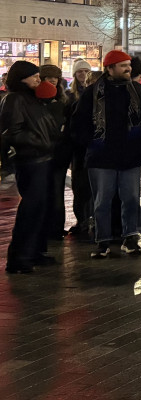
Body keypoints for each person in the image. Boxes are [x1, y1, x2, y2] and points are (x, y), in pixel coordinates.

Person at [74, 50, 141, 258]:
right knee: (102, 200)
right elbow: (80, 123)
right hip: (101, 156)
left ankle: (130, 237)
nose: (128, 68)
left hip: (130, 155)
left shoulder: (138, 91)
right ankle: (102, 240)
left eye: (129, 64)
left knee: (131, 198)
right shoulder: (93, 93)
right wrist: (91, 144)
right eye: (123, 65)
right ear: (109, 69)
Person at [3, 63, 64, 273]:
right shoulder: (15, 99)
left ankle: (35, 252)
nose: (39, 80)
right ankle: (20, 258)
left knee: (41, 209)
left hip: (44, 159)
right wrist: (40, 142)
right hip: (31, 161)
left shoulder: (34, 99)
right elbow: (13, 132)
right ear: (21, 78)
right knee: (31, 209)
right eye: (34, 76)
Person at [38, 64, 70, 241]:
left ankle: (56, 228)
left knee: (57, 191)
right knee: (43, 191)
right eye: (48, 77)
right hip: (41, 154)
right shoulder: (34, 102)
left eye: (55, 78)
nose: (52, 80)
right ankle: (44, 227)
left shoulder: (63, 103)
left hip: (58, 155)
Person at [64, 59, 93, 237]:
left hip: (92, 146)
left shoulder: (96, 93)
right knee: (79, 185)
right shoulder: (70, 95)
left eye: (86, 71)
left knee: (92, 185)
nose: (83, 74)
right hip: (77, 148)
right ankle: (81, 219)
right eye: (80, 71)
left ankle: (90, 218)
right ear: (75, 74)